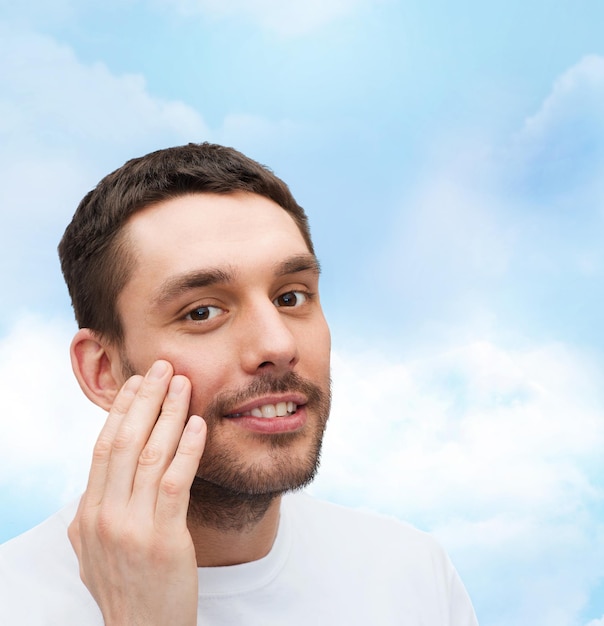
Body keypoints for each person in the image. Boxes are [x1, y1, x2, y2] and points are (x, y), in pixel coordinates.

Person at [0, 143, 478, 625]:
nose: (277, 343)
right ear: (102, 371)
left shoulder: (413, 574)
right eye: (202, 312)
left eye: (291, 296)